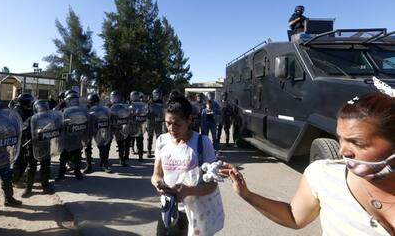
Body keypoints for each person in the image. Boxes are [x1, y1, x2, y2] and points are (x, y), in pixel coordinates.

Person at [221, 92, 395, 235]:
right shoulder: (323, 175)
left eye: (356, 142)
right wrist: (247, 194)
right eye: (340, 139)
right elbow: (294, 217)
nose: (342, 151)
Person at [151, 94, 220, 235]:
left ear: (189, 120)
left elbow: (212, 184)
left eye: (177, 124)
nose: (171, 128)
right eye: (168, 123)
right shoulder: (162, 141)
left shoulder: (202, 142)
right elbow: (156, 174)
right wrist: (158, 184)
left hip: (196, 213)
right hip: (168, 208)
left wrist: (189, 191)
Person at [11, 93, 35, 187]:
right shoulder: (18, 111)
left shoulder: (26, 109)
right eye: (30, 102)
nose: (31, 103)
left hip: (26, 138)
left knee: (25, 159)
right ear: (25, 102)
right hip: (20, 139)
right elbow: (21, 125)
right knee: (19, 160)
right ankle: (15, 180)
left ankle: (19, 177)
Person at [147, 88, 165, 158]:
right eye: (156, 94)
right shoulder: (149, 102)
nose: (157, 96)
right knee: (150, 137)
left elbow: (164, 111)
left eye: (158, 94)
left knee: (159, 137)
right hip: (150, 121)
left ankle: (159, 151)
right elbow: (146, 111)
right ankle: (149, 151)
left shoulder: (162, 103)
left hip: (159, 122)